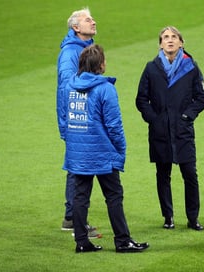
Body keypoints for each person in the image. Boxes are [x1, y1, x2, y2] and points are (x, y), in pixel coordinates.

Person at [62, 44, 149, 253]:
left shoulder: (69, 87)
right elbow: (114, 125)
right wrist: (120, 150)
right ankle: (122, 240)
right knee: (114, 195)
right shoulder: (105, 89)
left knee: (80, 197)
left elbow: (68, 119)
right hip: (102, 152)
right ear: (100, 65)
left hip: (77, 152)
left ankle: (82, 242)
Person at [136, 26, 204, 231]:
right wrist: (154, 119)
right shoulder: (151, 68)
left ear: (181, 43)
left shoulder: (191, 67)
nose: (170, 40)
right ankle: (168, 217)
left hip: (182, 131)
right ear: (160, 44)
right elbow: (141, 99)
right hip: (160, 132)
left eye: (174, 37)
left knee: (190, 175)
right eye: (165, 37)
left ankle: (193, 219)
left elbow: (201, 98)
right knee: (162, 175)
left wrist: (187, 116)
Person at [56, 7, 100, 238]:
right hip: (77, 118)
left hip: (82, 117)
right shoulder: (71, 53)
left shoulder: (84, 48)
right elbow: (67, 87)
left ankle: (72, 217)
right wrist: (72, 121)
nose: (93, 22)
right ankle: (74, 220)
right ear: (76, 27)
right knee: (79, 169)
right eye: (87, 19)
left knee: (79, 168)